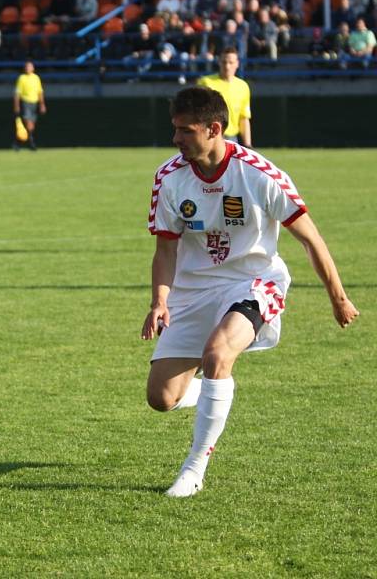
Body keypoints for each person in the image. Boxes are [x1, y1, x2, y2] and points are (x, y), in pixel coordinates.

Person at [142, 86, 359, 498]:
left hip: (254, 282)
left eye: (185, 131)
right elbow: (165, 248)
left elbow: (310, 239)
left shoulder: (259, 174)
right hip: (194, 289)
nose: (176, 139)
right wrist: (160, 301)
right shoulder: (169, 178)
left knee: (217, 355)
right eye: (175, 130)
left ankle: (194, 468)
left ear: (214, 129)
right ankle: (207, 391)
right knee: (162, 398)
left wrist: (338, 297)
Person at [197, 47, 252, 147]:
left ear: (237, 63)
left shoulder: (243, 86)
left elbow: (244, 118)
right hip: (209, 135)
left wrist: (248, 144)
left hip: (231, 138)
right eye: (224, 62)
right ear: (219, 62)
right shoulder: (206, 82)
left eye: (231, 62)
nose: (227, 66)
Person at [13, 60, 46, 151]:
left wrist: (42, 104)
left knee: (31, 126)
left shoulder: (36, 78)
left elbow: (40, 92)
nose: (28, 68)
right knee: (29, 124)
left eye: (30, 66)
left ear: (33, 68)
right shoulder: (22, 78)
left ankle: (17, 143)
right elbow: (17, 93)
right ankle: (32, 143)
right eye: (27, 66)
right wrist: (17, 105)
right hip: (25, 103)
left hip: (34, 104)